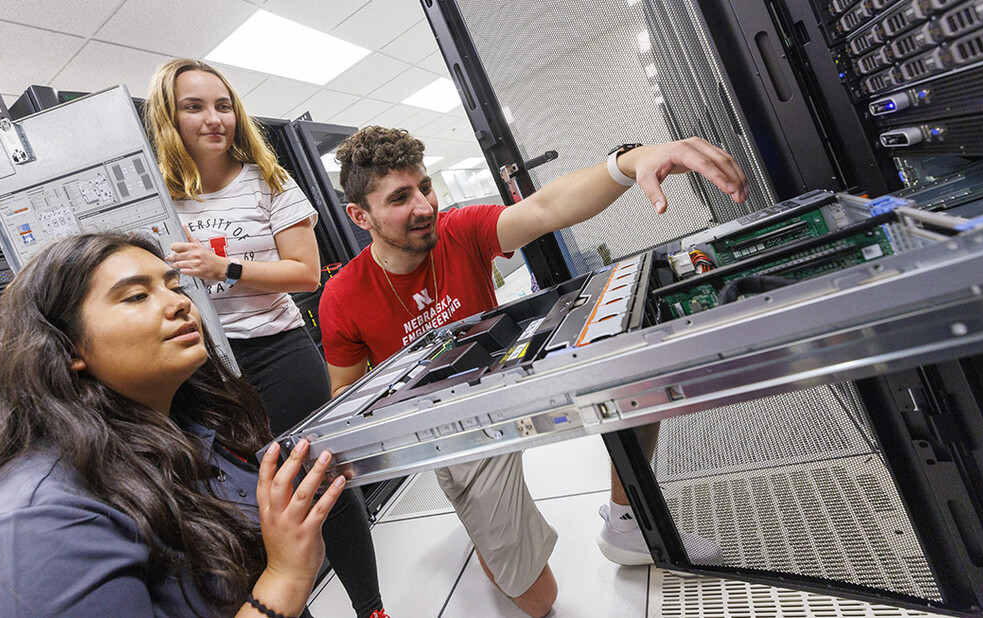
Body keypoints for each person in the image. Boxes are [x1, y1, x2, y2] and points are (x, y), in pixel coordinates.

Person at [319, 126, 748, 616]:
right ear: (360, 216)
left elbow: (545, 208)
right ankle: (485, 535)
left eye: (424, 186)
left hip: (510, 375)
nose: (423, 206)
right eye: (400, 198)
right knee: (539, 601)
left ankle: (626, 521)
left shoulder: (458, 231)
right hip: (450, 426)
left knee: (633, 365)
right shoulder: (343, 297)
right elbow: (347, 391)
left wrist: (627, 162)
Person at [0, 233, 343, 617]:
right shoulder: (37, 526)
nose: (180, 303)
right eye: (137, 296)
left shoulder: (185, 428)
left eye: (175, 287)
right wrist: (285, 578)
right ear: (68, 348)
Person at [145, 59, 386, 618]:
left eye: (223, 105)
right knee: (241, 500)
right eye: (194, 106)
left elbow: (305, 272)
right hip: (202, 365)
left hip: (278, 351)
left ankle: (372, 608)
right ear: (168, 117)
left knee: (322, 480)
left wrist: (223, 267)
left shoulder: (268, 179)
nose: (214, 119)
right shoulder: (157, 195)